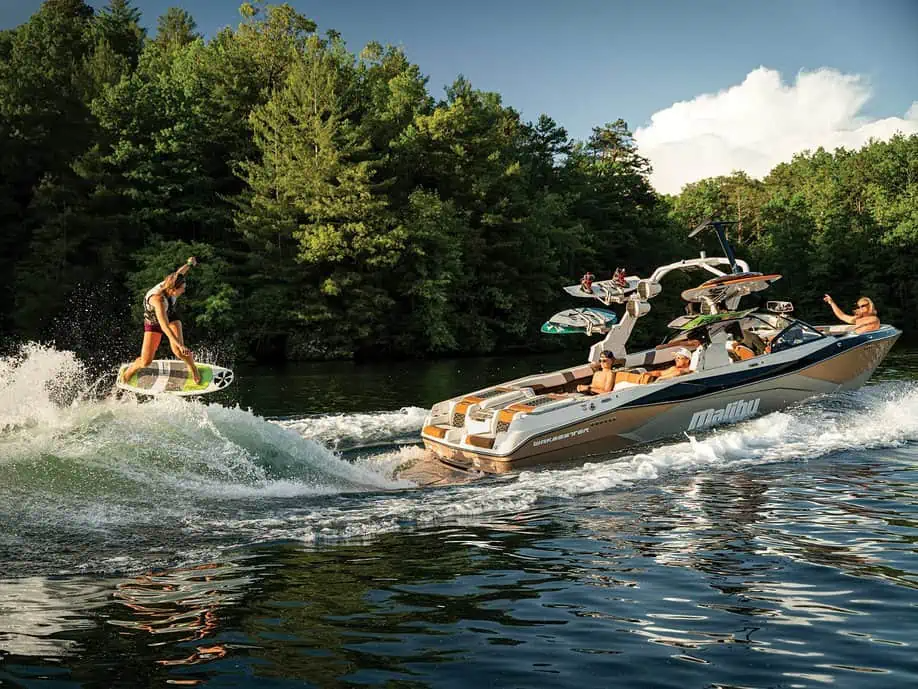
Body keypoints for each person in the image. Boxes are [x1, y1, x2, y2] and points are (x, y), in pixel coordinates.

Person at [121, 257, 201, 384]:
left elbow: (180, 273)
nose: (184, 290)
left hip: (171, 316)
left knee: (178, 351)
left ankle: (193, 368)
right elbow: (164, 326)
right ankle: (130, 370)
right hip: (154, 323)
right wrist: (180, 343)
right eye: (182, 288)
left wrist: (189, 264)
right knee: (146, 361)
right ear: (173, 289)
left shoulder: (173, 281)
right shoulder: (158, 300)